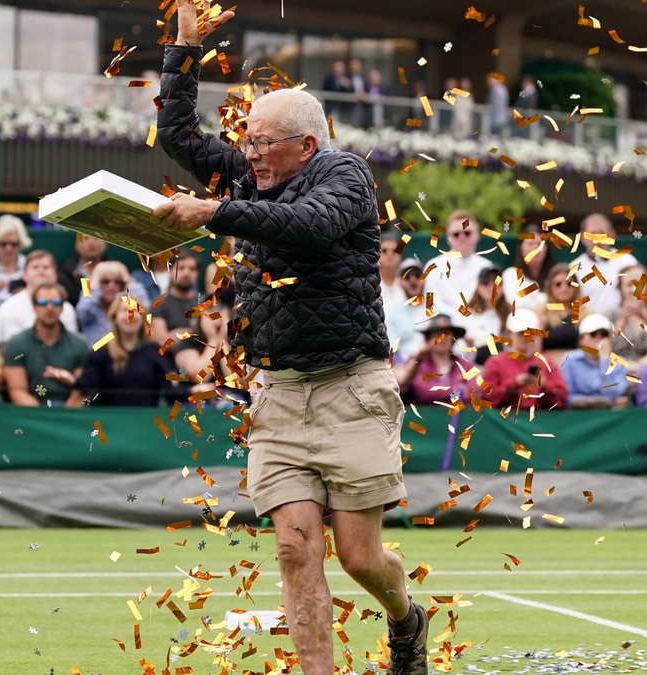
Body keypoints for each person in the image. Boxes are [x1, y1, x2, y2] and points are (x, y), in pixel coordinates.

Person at [152, 5, 424, 673]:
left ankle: (405, 616)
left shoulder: (347, 177)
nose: (248, 154)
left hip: (350, 390)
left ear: (306, 144)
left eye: (262, 143)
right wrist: (184, 51)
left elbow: (303, 225)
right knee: (295, 549)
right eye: (245, 142)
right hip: (276, 395)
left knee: (360, 557)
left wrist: (210, 210)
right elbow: (177, 133)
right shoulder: (250, 174)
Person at [76, 296, 188, 406]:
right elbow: (86, 384)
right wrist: (71, 380)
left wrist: (193, 391)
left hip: (144, 419)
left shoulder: (154, 349)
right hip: (108, 420)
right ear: (114, 317)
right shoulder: (102, 346)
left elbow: (168, 391)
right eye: (124, 310)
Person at [1, 282, 89, 407]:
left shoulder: (80, 344)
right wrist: (44, 418)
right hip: (30, 413)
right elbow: (18, 392)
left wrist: (65, 417)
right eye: (43, 303)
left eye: (56, 303)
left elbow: (81, 391)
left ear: (63, 307)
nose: (50, 307)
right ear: (34, 307)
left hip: (70, 413)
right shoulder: (15, 344)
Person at [481, 309, 567, 411]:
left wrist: (544, 385)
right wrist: (515, 383)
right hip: (505, 421)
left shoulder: (546, 362)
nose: (526, 337)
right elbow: (487, 397)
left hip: (539, 419)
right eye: (521, 333)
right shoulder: (495, 362)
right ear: (509, 333)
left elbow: (562, 398)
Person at [392, 314, 479, 406]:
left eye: (447, 334)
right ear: (428, 339)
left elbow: (473, 393)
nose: (442, 339)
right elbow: (423, 392)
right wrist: (456, 390)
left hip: (458, 418)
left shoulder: (466, 365)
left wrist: (441, 394)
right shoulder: (416, 362)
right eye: (437, 334)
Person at [0, 250, 81, 343]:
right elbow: (11, 346)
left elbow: (70, 344)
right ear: (24, 275)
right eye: (35, 267)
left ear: (55, 275)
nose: (41, 271)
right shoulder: (9, 306)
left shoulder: (66, 308)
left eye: (46, 267)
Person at [425, 210, 497, 316]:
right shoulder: (433, 267)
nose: (462, 237)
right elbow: (431, 306)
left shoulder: (488, 267)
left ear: (477, 235)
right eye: (456, 234)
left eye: (467, 233)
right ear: (448, 238)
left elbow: (492, 306)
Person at [571, 213, 639, 317]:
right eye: (592, 234)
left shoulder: (628, 262)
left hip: (624, 323)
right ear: (582, 237)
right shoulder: (573, 268)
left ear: (612, 234)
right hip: (589, 325)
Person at [559, 313, 630, 409]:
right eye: (593, 334)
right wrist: (594, 402)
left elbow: (616, 394)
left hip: (610, 415)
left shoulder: (619, 363)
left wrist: (605, 361)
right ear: (581, 339)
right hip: (579, 413)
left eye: (604, 335)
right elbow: (567, 395)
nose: (598, 339)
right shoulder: (570, 360)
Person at [77, 261, 149, 346]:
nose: (111, 286)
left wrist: (126, 277)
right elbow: (83, 307)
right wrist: (95, 277)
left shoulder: (127, 307)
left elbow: (145, 309)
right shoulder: (91, 309)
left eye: (117, 282)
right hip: (96, 356)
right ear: (98, 284)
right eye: (105, 282)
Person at [150, 253, 201, 346]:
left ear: (197, 274)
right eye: (180, 268)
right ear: (169, 271)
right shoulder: (159, 304)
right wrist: (195, 333)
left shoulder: (204, 303)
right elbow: (162, 343)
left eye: (192, 269)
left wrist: (176, 335)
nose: (186, 273)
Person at [500, 224, 553, 313]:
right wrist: (542, 301)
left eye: (539, 244)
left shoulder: (555, 276)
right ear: (520, 247)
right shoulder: (511, 274)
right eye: (530, 243)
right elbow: (514, 301)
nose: (535, 249)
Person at [458, 267, 508, 359]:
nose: (491, 286)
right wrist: (470, 346)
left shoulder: (512, 314)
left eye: (497, 282)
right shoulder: (464, 314)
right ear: (478, 286)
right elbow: (456, 351)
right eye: (485, 282)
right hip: (473, 368)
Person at [385, 257, 428, 364]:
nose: (413, 279)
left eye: (417, 275)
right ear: (400, 282)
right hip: (404, 367)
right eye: (407, 277)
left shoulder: (439, 309)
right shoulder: (391, 312)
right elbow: (391, 349)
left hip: (433, 366)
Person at [541, 262, 584, 365]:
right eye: (558, 284)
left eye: (569, 284)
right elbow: (536, 351)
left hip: (578, 368)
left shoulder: (586, 313)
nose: (564, 288)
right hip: (549, 368)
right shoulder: (542, 312)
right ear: (550, 287)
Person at [57, 234, 108, 306]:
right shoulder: (64, 271)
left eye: (96, 238)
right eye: (85, 238)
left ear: (105, 243)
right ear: (76, 244)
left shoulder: (115, 269)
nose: (91, 242)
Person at [379, 232, 406, 311]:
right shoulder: (368, 283)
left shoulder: (409, 281)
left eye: (394, 251)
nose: (389, 255)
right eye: (384, 251)